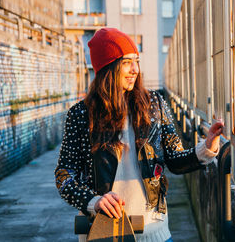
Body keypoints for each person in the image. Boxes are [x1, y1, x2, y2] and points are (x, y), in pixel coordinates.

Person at [54, 28, 224, 242]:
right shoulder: (80, 114)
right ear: (107, 67)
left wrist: (207, 146)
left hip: (155, 231)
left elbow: (175, 160)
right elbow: (64, 174)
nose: (135, 69)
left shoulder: (154, 104)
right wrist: (92, 200)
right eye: (126, 62)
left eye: (137, 61)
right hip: (104, 232)